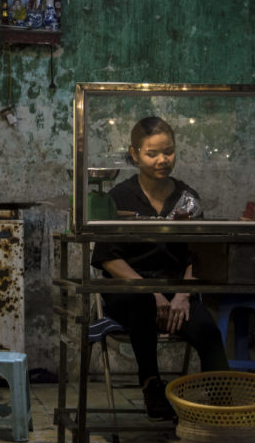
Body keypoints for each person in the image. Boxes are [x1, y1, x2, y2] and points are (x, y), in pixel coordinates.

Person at [90, 116, 229, 420]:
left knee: (207, 330)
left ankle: (223, 406)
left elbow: (199, 255)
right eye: (152, 153)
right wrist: (150, 291)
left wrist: (182, 294)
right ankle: (152, 385)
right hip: (130, 293)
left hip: (178, 291)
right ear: (135, 154)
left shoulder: (188, 198)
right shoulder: (118, 197)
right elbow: (108, 258)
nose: (161, 160)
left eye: (168, 152)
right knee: (141, 303)